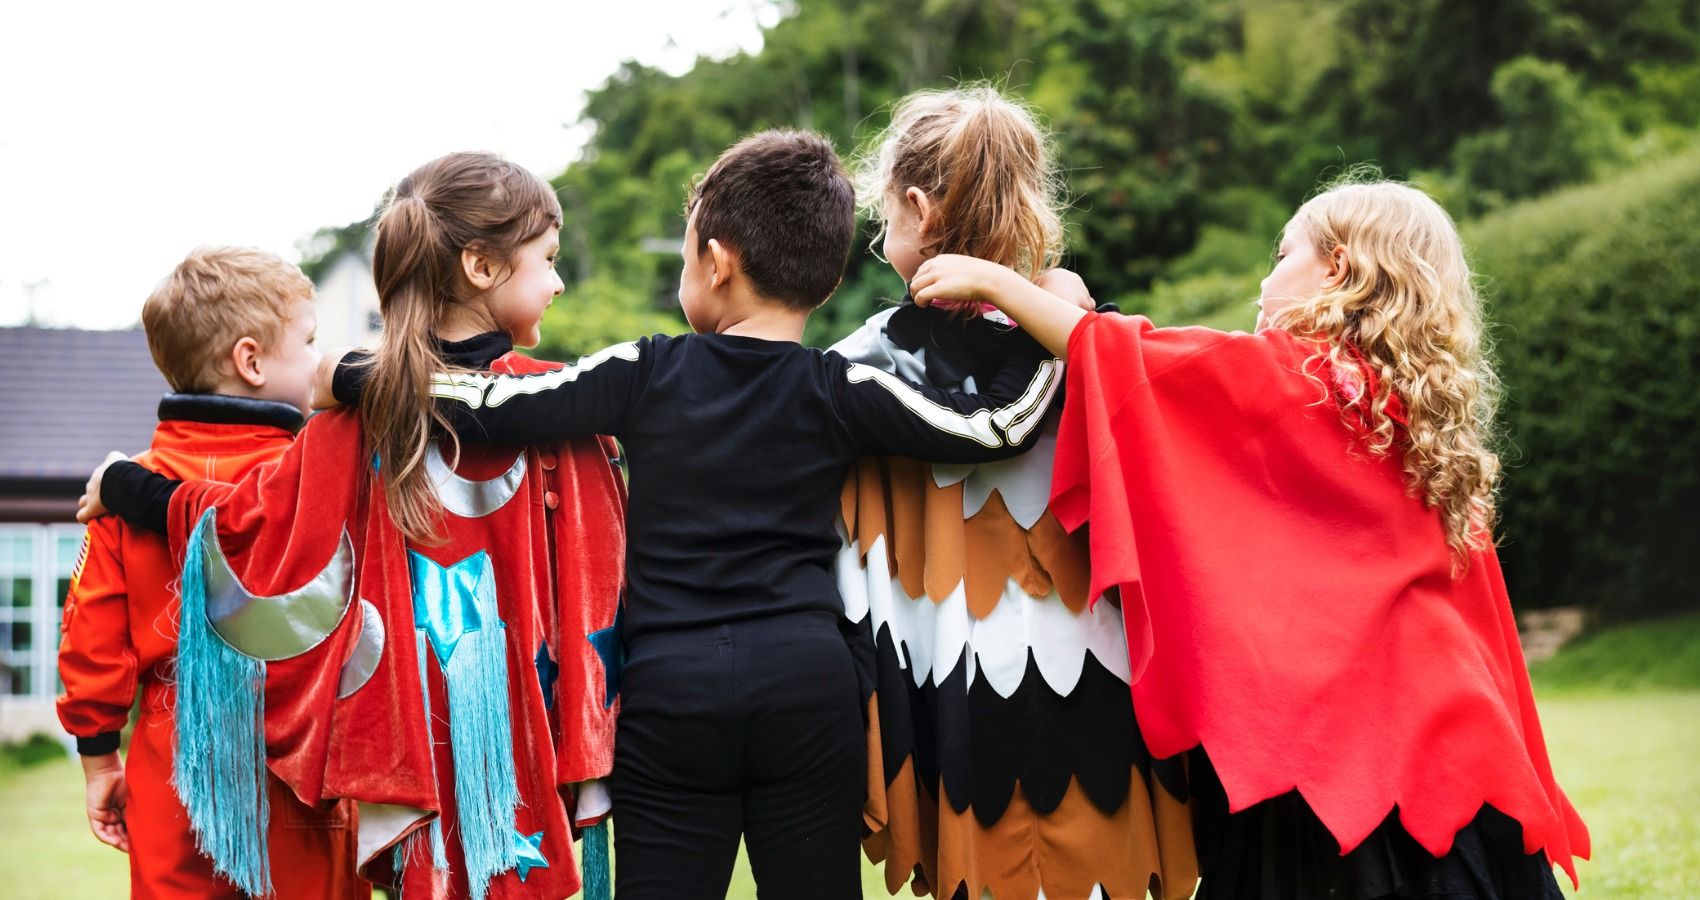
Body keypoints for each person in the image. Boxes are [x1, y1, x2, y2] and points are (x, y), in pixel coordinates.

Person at [319, 129, 1071, 900]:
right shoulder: (840, 389)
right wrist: (1049, 321)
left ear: (717, 262)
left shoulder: (646, 371)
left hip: (672, 697)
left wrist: (351, 375)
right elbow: (995, 426)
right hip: (806, 690)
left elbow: (493, 404)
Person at [907, 179, 1590, 899]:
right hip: (1456, 747)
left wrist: (1000, 284)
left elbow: (1133, 360)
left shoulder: (1296, 382)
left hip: (1341, 765)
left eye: (1282, 252)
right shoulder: (1416, 426)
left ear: (1337, 269)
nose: (1266, 276)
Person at [84, 153, 627, 900]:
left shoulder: (359, 418)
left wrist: (128, 484)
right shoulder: (555, 409)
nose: (560, 281)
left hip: (414, 745)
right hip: (493, 730)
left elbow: (239, 529)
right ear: (480, 266)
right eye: (549, 259)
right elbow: (251, 526)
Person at [831, 85, 1197, 900]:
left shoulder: (855, 371)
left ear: (919, 208)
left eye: (885, 209)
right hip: (1114, 700)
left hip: (954, 707)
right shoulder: (1099, 349)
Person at [56, 247, 367, 899]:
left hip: (173, 763)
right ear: (251, 361)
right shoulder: (321, 480)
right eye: (308, 343)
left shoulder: (119, 491)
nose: (321, 363)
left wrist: (98, 761)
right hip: (298, 751)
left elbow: (91, 635)